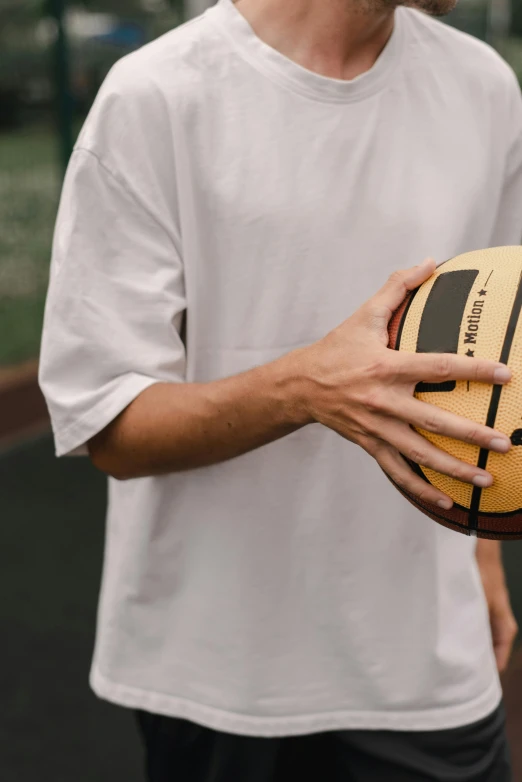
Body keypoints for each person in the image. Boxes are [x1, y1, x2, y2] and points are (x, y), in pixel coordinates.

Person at [39, 0, 522, 779]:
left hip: (425, 663)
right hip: (216, 672)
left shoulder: (485, 86)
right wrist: (306, 386)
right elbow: (113, 430)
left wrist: (484, 550)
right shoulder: (157, 96)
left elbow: (503, 357)